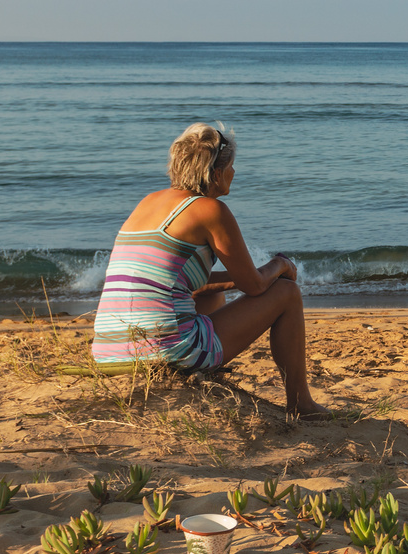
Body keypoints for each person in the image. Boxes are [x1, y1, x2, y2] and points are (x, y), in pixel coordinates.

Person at [92, 123, 325, 419]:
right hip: (170, 350)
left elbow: (176, 284)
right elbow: (254, 286)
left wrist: (239, 280)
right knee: (287, 292)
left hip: (110, 352)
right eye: (231, 166)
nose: (234, 173)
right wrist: (279, 265)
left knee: (209, 299)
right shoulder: (210, 210)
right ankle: (302, 404)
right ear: (215, 174)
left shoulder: (148, 202)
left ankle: (206, 377)